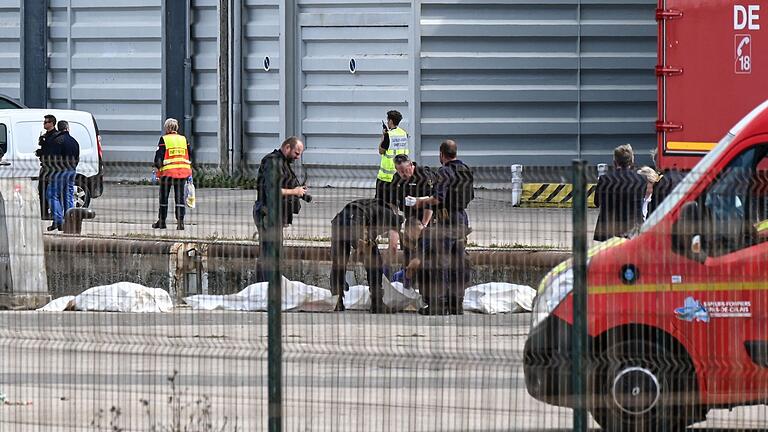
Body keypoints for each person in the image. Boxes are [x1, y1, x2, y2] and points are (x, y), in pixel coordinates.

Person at [411, 139, 474, 315]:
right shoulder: (465, 170)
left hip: (447, 220)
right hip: (462, 220)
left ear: (441, 154)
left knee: (440, 262)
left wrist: (419, 201)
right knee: (459, 261)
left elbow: (438, 198)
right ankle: (456, 304)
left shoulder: (444, 171)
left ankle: (438, 304)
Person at [329, 199, 403, 313]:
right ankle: (377, 303)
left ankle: (336, 302)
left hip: (339, 221)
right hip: (357, 221)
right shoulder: (393, 217)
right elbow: (393, 246)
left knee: (338, 263)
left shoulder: (374, 207)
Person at [253, 136, 308, 281]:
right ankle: (264, 289)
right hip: (267, 213)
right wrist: (295, 192)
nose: (297, 157)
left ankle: (268, 287)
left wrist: (297, 190)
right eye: (296, 153)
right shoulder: (273, 162)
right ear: (287, 147)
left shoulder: (282, 162)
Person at [386, 154, 434, 271]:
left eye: (404, 170)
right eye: (399, 171)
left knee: (424, 250)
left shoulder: (423, 176)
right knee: (408, 249)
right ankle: (406, 275)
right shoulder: (397, 179)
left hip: (426, 217)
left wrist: (424, 224)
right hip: (409, 218)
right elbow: (392, 203)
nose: (402, 174)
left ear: (411, 165)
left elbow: (432, 202)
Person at [593, 144, 647, 241]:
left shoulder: (605, 179)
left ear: (615, 161)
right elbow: (641, 200)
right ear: (632, 160)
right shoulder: (641, 179)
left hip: (609, 227)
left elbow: (597, 202)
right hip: (633, 227)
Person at [152, 118, 192, 230]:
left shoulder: (164, 139)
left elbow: (158, 158)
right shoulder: (183, 139)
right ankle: (180, 222)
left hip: (168, 173)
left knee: (164, 198)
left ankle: (162, 221)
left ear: (167, 128)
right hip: (182, 173)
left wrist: (158, 167)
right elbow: (190, 154)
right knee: (180, 198)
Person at [46, 120, 80, 231]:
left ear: (58, 128)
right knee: (68, 195)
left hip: (60, 171)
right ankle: (70, 220)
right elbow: (77, 157)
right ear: (67, 128)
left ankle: (59, 221)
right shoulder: (74, 141)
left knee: (52, 194)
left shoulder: (57, 141)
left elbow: (52, 158)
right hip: (72, 170)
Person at [375, 110, 409, 201]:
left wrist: (383, 136)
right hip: (400, 175)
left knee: (380, 203)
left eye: (387, 120)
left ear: (390, 121)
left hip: (386, 178)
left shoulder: (388, 135)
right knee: (394, 203)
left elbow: (381, 151)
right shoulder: (404, 133)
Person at [648, 149, 686, 214]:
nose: (656, 167)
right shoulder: (684, 177)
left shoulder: (661, 180)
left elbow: (654, 206)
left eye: (656, 163)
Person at [35, 114, 58, 220]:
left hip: (50, 167)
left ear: (52, 123)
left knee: (49, 192)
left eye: (46, 122)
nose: (44, 124)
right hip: (44, 166)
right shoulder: (47, 135)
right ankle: (44, 212)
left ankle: (50, 212)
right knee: (42, 190)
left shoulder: (55, 136)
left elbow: (51, 152)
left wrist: (41, 151)